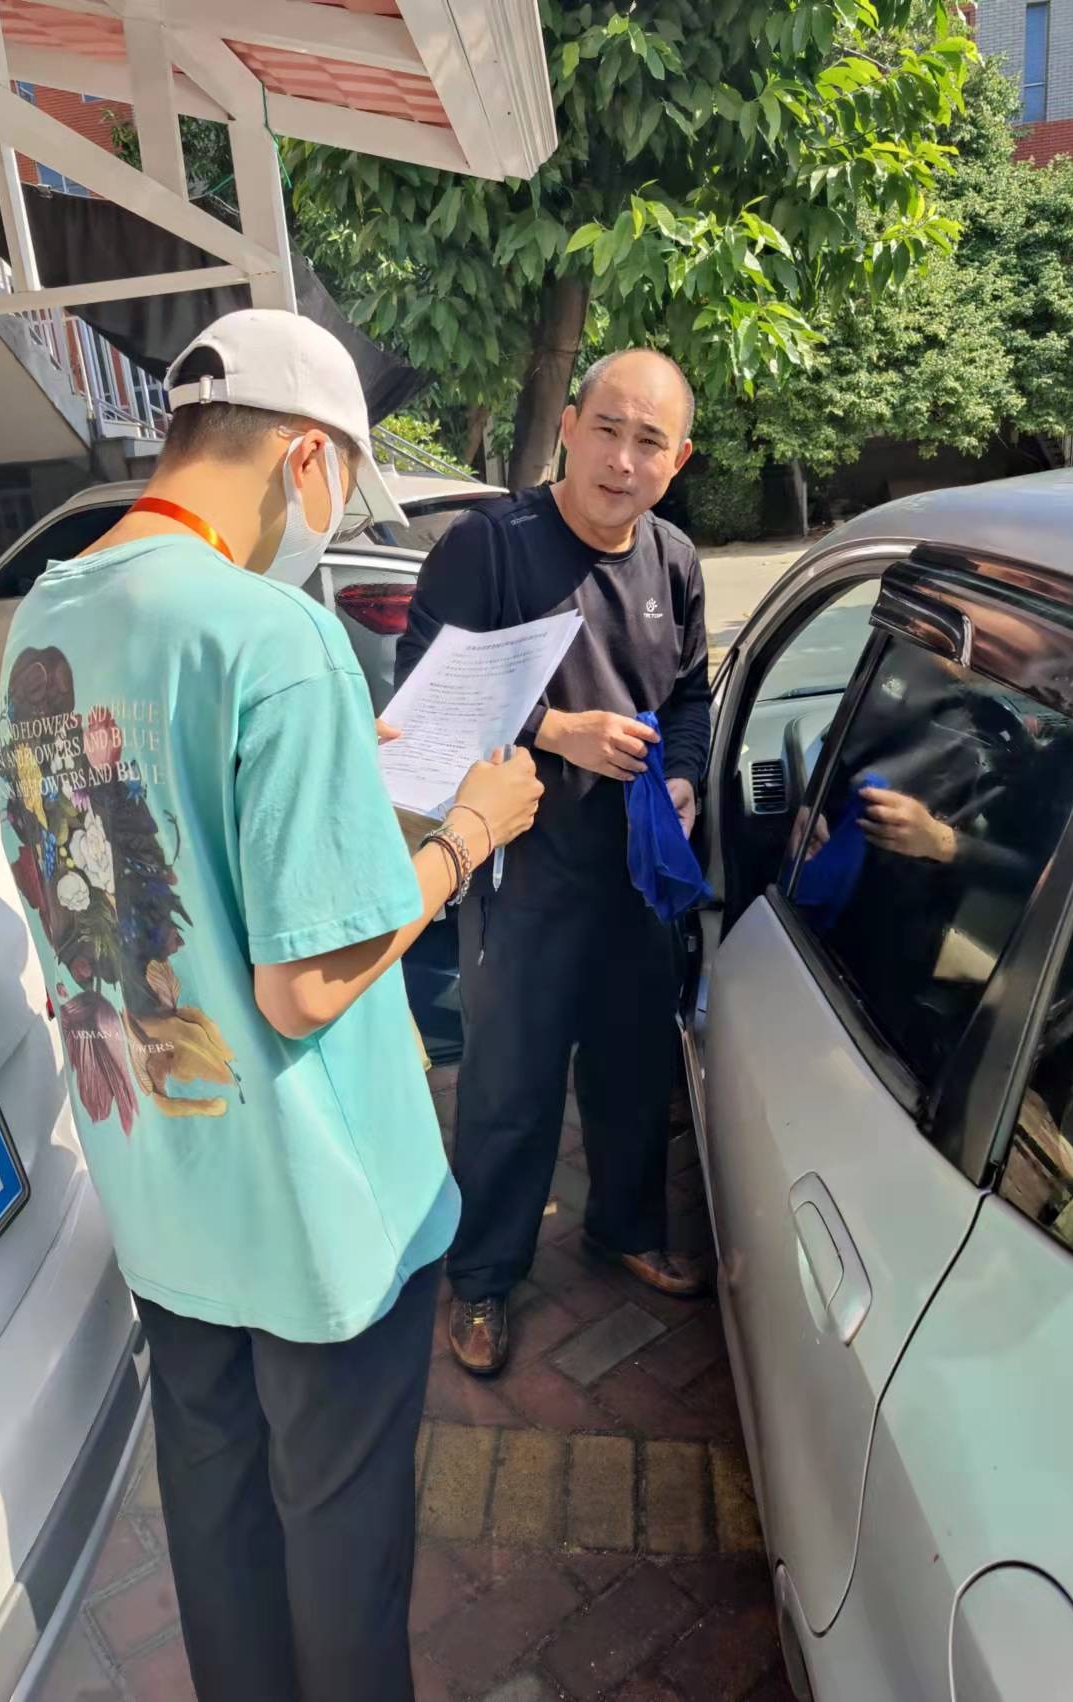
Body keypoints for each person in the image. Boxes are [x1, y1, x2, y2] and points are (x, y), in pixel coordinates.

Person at [0, 309, 542, 1702]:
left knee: (219, 1527)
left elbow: (122, 847)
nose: (328, 517)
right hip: (313, 1216)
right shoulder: (274, 634)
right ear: (304, 458)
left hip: (167, 1196)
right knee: (342, 1559)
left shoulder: (46, 615)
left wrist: (331, 765)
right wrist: (467, 831)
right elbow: (306, 983)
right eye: (339, 484)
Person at [396, 348, 712, 1378]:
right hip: (520, 871)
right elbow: (423, 696)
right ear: (569, 426)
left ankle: (624, 1228)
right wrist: (555, 730)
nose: (622, 459)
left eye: (649, 442)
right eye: (607, 429)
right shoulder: (489, 547)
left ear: (677, 460)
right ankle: (483, 1277)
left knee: (633, 1067)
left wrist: (685, 781)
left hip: (635, 872)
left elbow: (690, 700)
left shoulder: (673, 560)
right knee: (509, 1084)